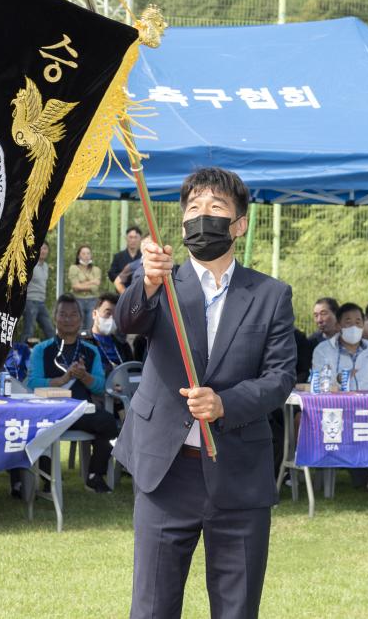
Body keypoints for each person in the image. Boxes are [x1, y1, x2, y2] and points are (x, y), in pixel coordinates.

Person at [114, 166, 296, 619]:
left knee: (237, 608)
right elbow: (127, 323)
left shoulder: (271, 295)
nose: (202, 216)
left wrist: (224, 404)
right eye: (193, 208)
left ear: (239, 224)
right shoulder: (162, 283)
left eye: (216, 208)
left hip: (238, 474)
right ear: (180, 224)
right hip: (165, 471)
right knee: (152, 606)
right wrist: (147, 283)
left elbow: (279, 378)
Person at [28, 294, 118, 493]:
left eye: (73, 315)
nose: (68, 319)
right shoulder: (41, 350)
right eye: (63, 315)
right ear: (55, 318)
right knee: (30, 428)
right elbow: (32, 384)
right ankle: (47, 480)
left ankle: (95, 475)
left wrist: (85, 377)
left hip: (80, 410)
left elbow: (100, 386)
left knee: (110, 422)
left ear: (80, 318)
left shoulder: (90, 350)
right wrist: (61, 380)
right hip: (49, 412)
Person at [311, 302, 368, 501]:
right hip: (337, 413)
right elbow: (318, 383)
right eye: (348, 322)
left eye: (358, 322)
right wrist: (337, 380)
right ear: (338, 325)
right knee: (340, 430)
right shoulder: (323, 350)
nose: (354, 326)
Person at [84, 292, 134, 374]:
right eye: (108, 313)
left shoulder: (123, 346)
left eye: (116, 315)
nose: (112, 318)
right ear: (94, 314)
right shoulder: (83, 342)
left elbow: (133, 373)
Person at [22, 241, 53, 342]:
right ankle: (22, 355)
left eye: (45, 249)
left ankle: (54, 353)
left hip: (41, 302)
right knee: (29, 331)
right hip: (30, 302)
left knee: (50, 330)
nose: (43, 251)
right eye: (40, 248)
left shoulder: (46, 266)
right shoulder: (30, 264)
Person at [69, 245, 102, 326]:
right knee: (78, 326)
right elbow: (75, 287)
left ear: (91, 255)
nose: (86, 256)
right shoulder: (73, 268)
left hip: (93, 301)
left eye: (88, 253)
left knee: (91, 326)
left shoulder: (96, 269)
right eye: (83, 253)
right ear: (78, 255)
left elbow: (95, 287)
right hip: (77, 300)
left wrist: (81, 284)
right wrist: (92, 281)